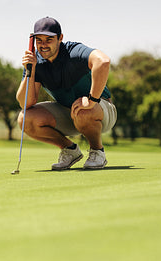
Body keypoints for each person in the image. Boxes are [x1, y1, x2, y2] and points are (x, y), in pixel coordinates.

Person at [17, 16, 117, 170]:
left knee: (82, 110)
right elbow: (26, 102)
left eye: (48, 39)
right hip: (70, 112)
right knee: (25, 118)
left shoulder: (73, 51)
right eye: (39, 40)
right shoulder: (35, 61)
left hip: (101, 110)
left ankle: (97, 151)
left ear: (60, 38)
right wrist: (31, 69)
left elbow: (103, 61)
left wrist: (91, 99)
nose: (43, 45)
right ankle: (70, 150)